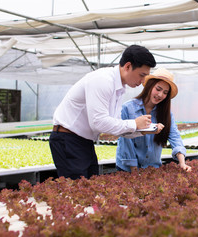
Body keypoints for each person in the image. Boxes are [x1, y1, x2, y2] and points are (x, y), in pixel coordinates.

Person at [49, 45, 156, 180]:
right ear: (128, 66)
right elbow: (98, 122)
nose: (142, 82)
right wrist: (134, 123)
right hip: (68, 139)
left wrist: (142, 131)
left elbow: (114, 126)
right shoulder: (103, 80)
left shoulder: (119, 88)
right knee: (77, 192)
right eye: (142, 75)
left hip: (83, 141)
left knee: (89, 189)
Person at [116, 67, 192, 173]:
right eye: (158, 89)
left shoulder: (166, 114)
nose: (160, 95)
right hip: (127, 169)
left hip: (152, 168)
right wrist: (134, 171)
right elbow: (126, 140)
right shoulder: (128, 108)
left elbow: (175, 137)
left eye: (165, 92)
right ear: (149, 86)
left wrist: (182, 163)